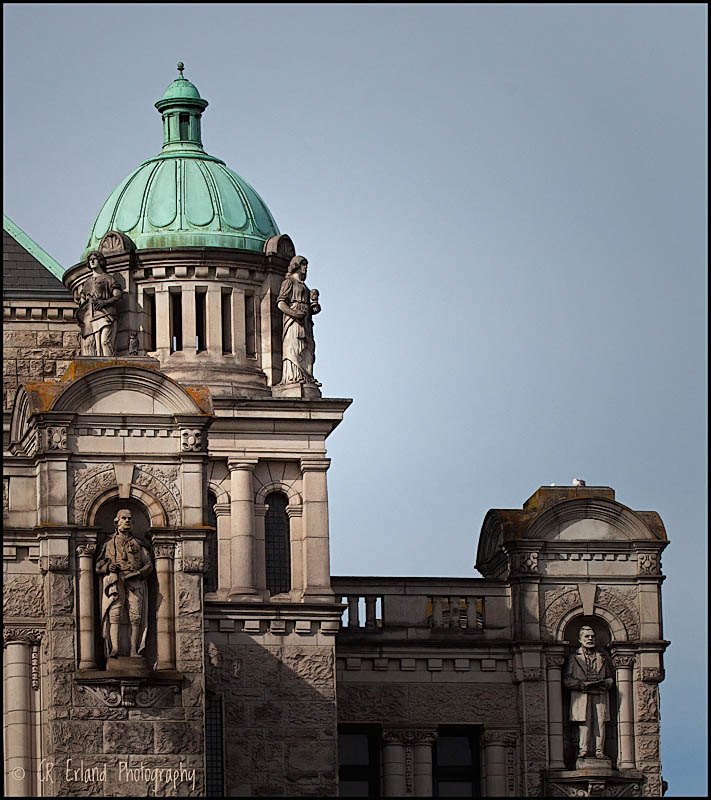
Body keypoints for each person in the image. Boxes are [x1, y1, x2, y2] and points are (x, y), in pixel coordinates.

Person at [95, 509, 153, 658]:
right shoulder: (109, 544)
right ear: (117, 522)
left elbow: (148, 565)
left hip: (135, 581)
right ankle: (115, 649)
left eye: (129, 519)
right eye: (124, 518)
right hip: (116, 581)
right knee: (114, 614)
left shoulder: (139, 544)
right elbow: (98, 566)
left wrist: (138, 573)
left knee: (136, 616)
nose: (127, 521)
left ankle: (134, 650)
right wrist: (108, 567)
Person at [563, 626, 614, 759]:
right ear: (580, 639)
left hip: (600, 694)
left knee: (601, 722)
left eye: (592, 636)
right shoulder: (574, 658)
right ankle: (583, 750)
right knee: (584, 722)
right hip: (582, 695)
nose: (590, 639)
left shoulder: (602, 657)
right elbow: (566, 680)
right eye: (587, 636)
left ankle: (599, 751)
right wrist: (580, 684)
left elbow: (610, 678)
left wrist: (606, 683)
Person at [277, 255, 321, 386]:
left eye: (306, 266)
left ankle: (307, 376)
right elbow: (281, 303)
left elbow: (312, 309)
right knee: (294, 346)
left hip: (306, 322)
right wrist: (294, 313)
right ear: (296, 266)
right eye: (303, 265)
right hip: (293, 321)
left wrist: (315, 305)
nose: (306, 268)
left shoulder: (305, 287)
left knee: (308, 348)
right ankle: (294, 377)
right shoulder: (289, 282)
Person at [74, 250, 122, 356]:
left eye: (94, 259)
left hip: (106, 314)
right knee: (96, 346)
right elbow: (82, 301)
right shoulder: (87, 282)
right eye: (90, 260)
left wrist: (104, 302)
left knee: (105, 342)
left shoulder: (108, 278)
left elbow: (118, 296)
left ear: (100, 261)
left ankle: (109, 367)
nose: (92, 261)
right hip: (92, 316)